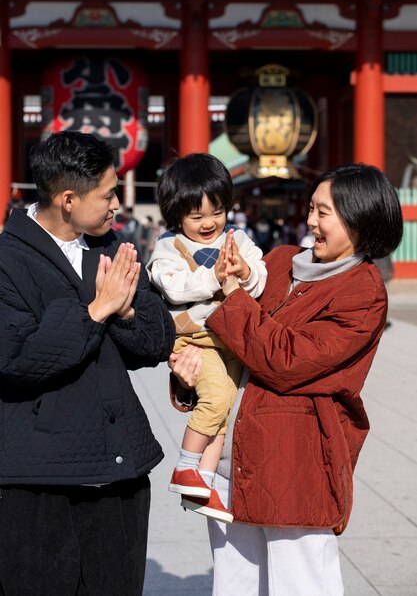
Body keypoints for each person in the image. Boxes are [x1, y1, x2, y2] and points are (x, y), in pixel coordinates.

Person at [169, 162, 403, 596]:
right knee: (234, 584)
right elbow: (226, 352)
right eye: (311, 209)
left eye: (323, 212)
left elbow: (286, 361)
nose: (310, 221)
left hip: (294, 463)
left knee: (301, 584)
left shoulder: (362, 293)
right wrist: (190, 380)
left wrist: (233, 297)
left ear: (359, 218)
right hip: (226, 464)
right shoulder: (277, 262)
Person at [0, 130, 175, 596]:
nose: (118, 204)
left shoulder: (112, 247)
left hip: (119, 467)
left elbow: (158, 339)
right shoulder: (6, 260)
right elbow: (18, 359)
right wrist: (96, 310)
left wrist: (128, 309)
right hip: (39, 478)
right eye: (109, 193)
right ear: (69, 199)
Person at [147, 152, 267, 523]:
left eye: (216, 212)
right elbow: (172, 286)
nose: (208, 223)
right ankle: (186, 465)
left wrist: (246, 271)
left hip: (229, 339)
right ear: (176, 215)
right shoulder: (170, 246)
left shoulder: (239, 239)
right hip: (196, 341)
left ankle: (204, 482)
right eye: (196, 217)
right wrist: (214, 277)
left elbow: (259, 278)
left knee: (224, 411)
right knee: (215, 399)